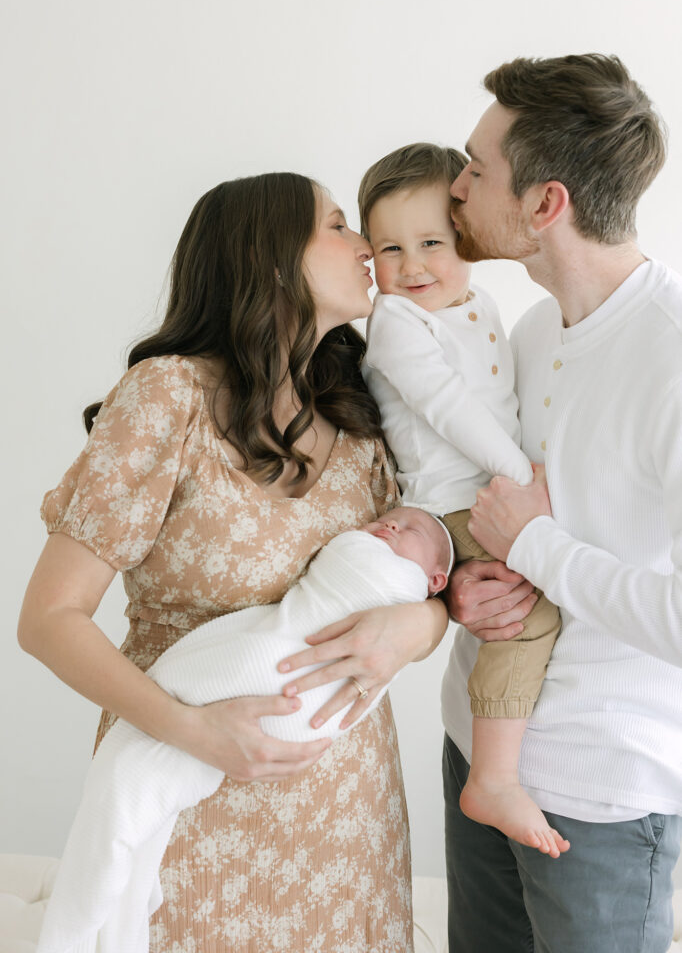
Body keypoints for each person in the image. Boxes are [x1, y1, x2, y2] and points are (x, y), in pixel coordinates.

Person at [18, 174, 449, 953]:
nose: (366, 248)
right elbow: (48, 620)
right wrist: (193, 731)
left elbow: (431, 573)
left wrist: (418, 625)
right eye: (338, 225)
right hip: (197, 808)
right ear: (270, 253)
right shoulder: (166, 399)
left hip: (347, 822)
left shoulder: (359, 419)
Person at [443, 54, 682, 953]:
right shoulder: (536, 330)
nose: (456, 188)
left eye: (476, 168)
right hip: (476, 749)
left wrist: (535, 545)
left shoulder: (671, 356)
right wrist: (467, 585)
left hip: (599, 803)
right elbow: (498, 525)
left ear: (546, 205)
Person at [37, 506, 453, 953]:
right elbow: (47, 618)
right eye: (390, 522)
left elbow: (447, 591)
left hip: (342, 835)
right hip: (196, 818)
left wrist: (426, 619)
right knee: (124, 808)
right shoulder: (157, 437)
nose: (390, 524)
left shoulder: (375, 443)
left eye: (409, 528)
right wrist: (186, 726)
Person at [358, 142, 567, 858]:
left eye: (431, 244)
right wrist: (521, 480)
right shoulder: (397, 323)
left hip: (485, 490)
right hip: (454, 502)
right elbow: (449, 408)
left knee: (525, 607)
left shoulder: (478, 303)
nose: (412, 266)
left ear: (465, 240)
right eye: (390, 248)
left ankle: (495, 769)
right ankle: (495, 777)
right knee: (530, 617)